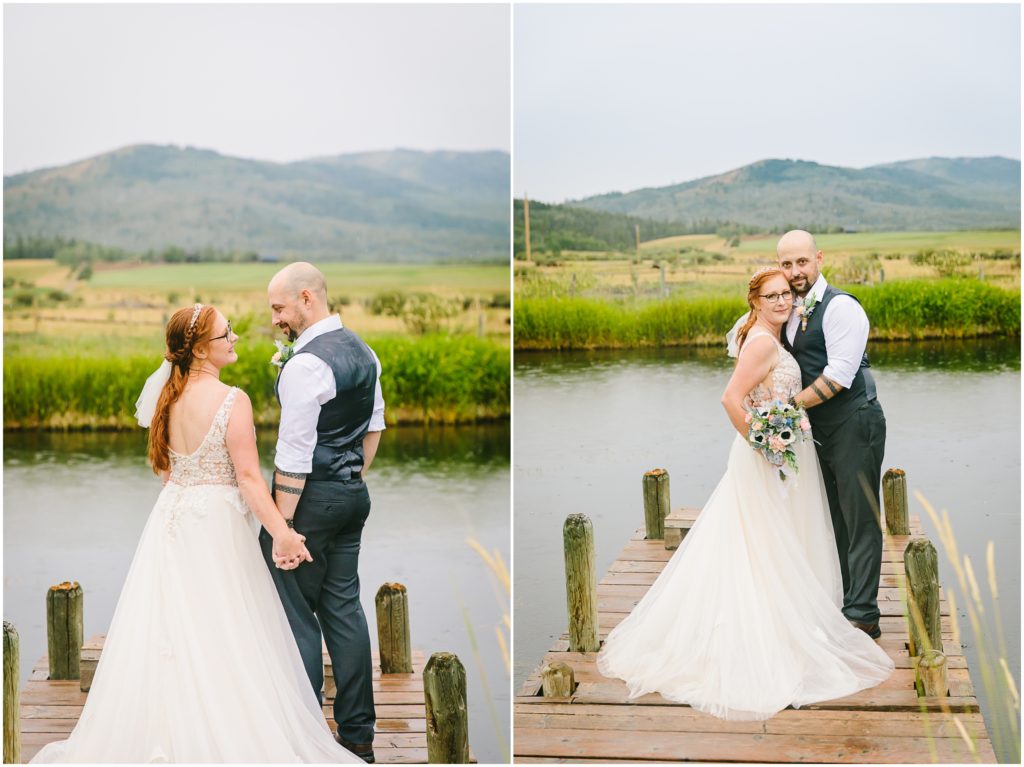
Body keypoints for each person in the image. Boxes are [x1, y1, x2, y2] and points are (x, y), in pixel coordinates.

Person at [31, 304, 361, 762]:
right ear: (203, 349)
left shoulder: (168, 395)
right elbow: (247, 479)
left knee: (175, 628)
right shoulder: (233, 399)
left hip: (172, 520)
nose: (235, 339)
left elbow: (168, 473)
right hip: (218, 526)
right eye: (228, 333)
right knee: (228, 629)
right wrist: (283, 532)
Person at [596, 268, 893, 721]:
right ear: (754, 300)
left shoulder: (770, 333)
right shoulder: (760, 341)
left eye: (785, 295)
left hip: (786, 452)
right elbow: (730, 398)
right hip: (769, 456)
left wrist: (776, 435)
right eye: (770, 295)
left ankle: (790, 618)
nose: (781, 301)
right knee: (763, 541)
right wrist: (763, 441)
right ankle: (768, 630)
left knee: (777, 540)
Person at [262, 262, 385, 764]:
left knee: (296, 615)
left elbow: (292, 454)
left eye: (278, 307)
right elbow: (374, 427)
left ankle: (307, 735)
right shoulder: (363, 350)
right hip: (352, 496)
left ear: (307, 299)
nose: (274, 319)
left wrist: (282, 527)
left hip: (308, 502)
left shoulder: (306, 365)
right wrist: (350, 474)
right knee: (344, 609)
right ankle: (357, 735)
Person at [776, 229, 887, 639]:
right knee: (833, 516)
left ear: (818, 258)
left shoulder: (842, 308)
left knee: (860, 518)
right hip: (818, 429)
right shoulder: (789, 307)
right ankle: (845, 597)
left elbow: (838, 376)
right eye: (786, 264)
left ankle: (864, 614)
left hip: (855, 421)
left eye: (801, 262)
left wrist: (786, 410)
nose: (794, 271)